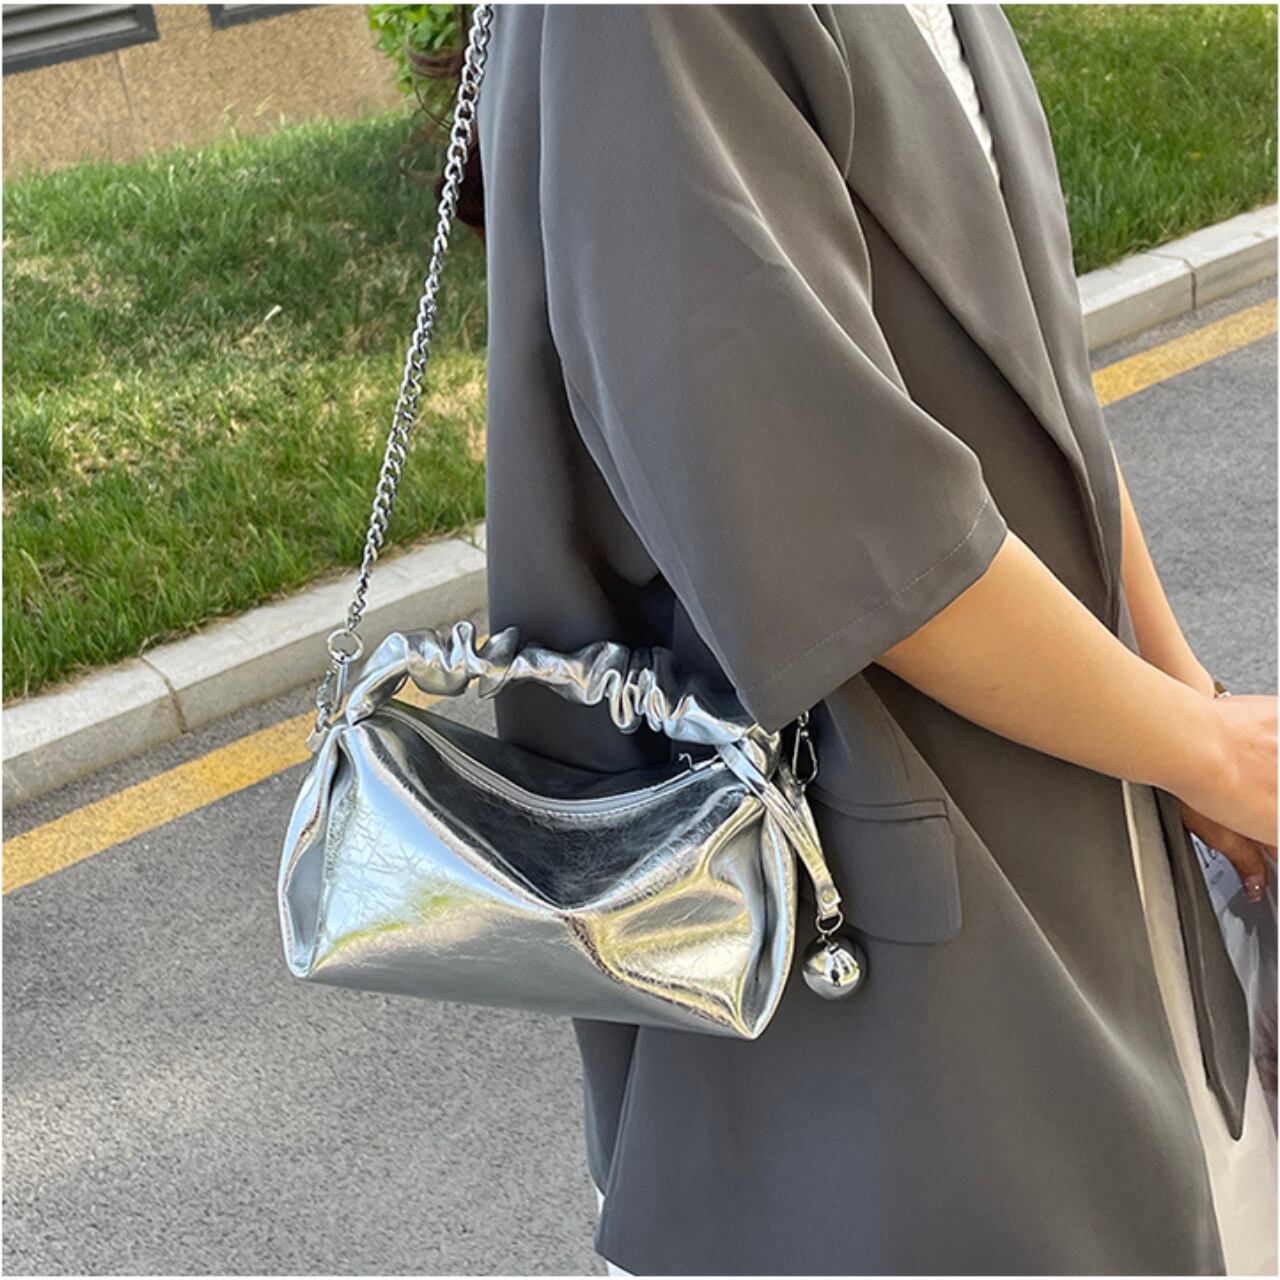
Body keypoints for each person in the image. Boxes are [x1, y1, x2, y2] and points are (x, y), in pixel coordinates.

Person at [432, 3, 1279, 1273]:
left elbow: (1037, 397)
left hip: (1087, 818)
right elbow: (835, 518)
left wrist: (1188, 707)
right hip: (863, 928)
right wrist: (1195, 746)